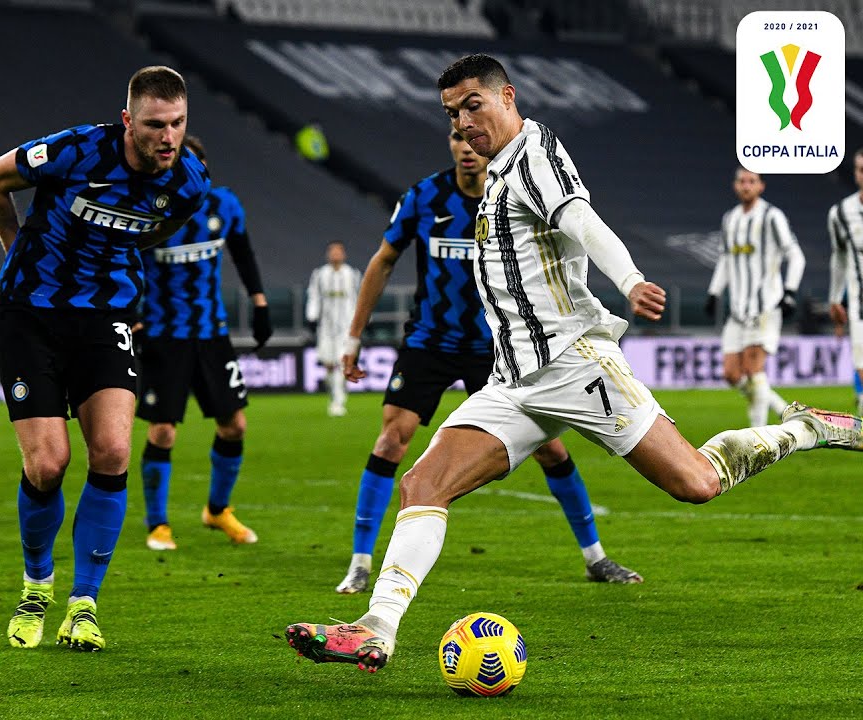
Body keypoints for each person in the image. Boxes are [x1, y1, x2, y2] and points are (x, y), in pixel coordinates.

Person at [284, 53, 863, 673]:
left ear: (507, 96)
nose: (463, 124)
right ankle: (376, 628)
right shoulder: (495, 176)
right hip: (513, 380)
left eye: (473, 105)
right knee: (423, 484)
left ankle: (806, 429)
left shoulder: (533, 156)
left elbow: (582, 221)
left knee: (696, 483)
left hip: (575, 365)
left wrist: (631, 279)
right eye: (452, 114)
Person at [333, 127, 641, 596]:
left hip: (498, 345)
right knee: (392, 440)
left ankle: (595, 557)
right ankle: (359, 563)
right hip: (430, 341)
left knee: (551, 449)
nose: (465, 147)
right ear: (451, 145)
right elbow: (383, 260)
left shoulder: (512, 194)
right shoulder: (424, 197)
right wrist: (353, 337)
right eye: (455, 138)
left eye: (469, 138)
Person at [0, 66, 210, 652]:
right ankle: (36, 586)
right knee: (48, 464)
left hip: (104, 317)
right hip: (29, 314)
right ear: (128, 120)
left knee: (111, 451)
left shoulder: (189, 180)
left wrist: (115, 254)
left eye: (177, 124)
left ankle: (84, 604)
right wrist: (17, 251)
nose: (168, 137)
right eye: (154, 125)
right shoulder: (76, 150)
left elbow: (163, 224)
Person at [137, 134, 270, 551]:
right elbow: (125, 262)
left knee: (234, 426)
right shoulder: (149, 208)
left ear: (204, 169)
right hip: (164, 335)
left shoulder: (223, 204)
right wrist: (133, 319)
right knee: (163, 432)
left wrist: (259, 302)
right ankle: (158, 524)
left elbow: (243, 253)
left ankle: (217, 510)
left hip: (212, 333)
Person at [704, 168, 804, 427]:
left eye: (751, 181)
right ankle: (783, 410)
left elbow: (795, 255)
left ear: (761, 186)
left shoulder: (772, 216)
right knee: (731, 374)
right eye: (741, 181)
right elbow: (726, 259)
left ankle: (757, 436)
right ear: (735, 185)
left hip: (766, 307)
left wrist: (790, 291)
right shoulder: (730, 219)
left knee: (753, 370)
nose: (746, 186)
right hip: (738, 311)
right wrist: (714, 292)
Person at [827, 148, 863, 415]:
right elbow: (839, 257)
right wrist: (835, 298)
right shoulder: (840, 213)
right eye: (861, 170)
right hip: (859, 308)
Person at [306, 242, 361, 416]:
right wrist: (311, 317)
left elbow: (358, 297)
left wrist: (362, 320)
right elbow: (314, 296)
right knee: (328, 364)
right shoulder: (319, 274)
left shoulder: (352, 274)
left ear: (344, 254)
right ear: (328, 254)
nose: (335, 255)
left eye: (338, 251)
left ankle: (338, 401)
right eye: (332, 252)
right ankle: (334, 395)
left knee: (341, 361)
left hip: (346, 327)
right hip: (326, 327)